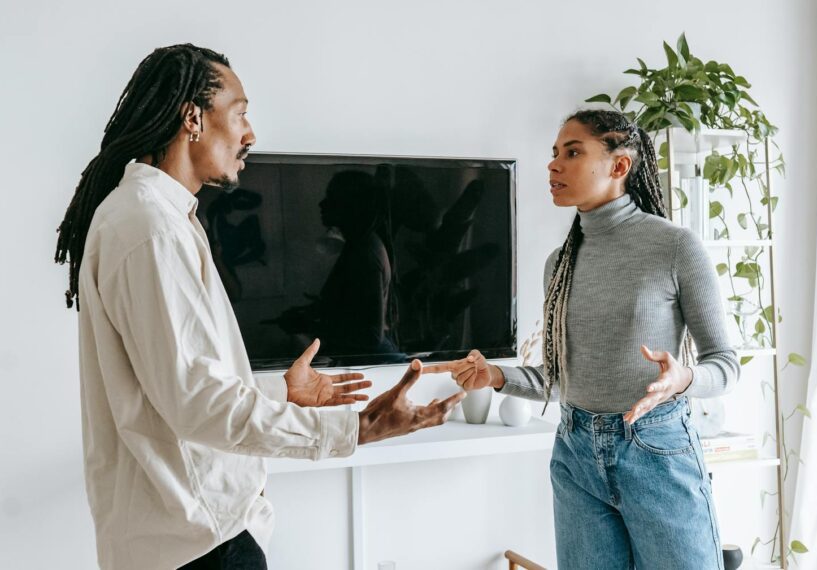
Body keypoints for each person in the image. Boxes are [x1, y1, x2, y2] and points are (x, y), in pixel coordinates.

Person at [54, 44, 464, 570]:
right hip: (199, 542)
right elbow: (197, 401)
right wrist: (357, 428)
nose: (250, 134)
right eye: (240, 113)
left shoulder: (155, 218)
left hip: (191, 534)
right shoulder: (151, 228)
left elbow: (175, 384)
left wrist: (279, 392)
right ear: (193, 119)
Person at [431, 109, 739, 569]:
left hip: (656, 452)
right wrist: (495, 376)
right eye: (555, 153)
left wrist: (684, 379)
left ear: (620, 166)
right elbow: (559, 380)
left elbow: (725, 365)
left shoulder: (675, 248)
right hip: (575, 454)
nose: (554, 164)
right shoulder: (559, 264)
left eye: (573, 153)